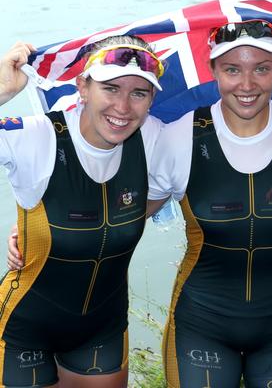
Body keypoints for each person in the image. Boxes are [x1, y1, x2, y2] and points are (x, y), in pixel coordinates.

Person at [147, 19, 272, 388]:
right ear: (213, 71)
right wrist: (39, 224)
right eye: (232, 70)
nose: (246, 85)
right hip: (201, 325)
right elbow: (120, 219)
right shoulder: (178, 137)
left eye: (261, 69)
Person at [0, 37, 164, 387]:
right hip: (23, 330)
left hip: (102, 330)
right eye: (110, 88)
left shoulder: (155, 139)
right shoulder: (36, 136)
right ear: (82, 87)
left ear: (152, 100)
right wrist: (0, 90)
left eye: (139, 93)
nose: (123, 106)